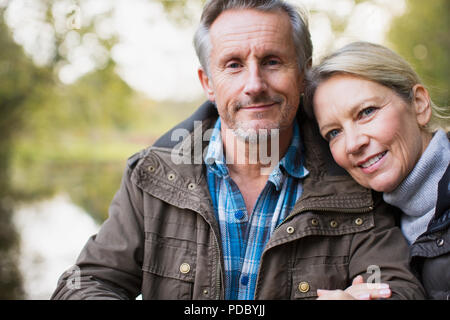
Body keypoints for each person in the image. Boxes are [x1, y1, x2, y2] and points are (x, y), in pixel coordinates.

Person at [52, 1, 425, 300]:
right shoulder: (151, 177)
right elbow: (85, 283)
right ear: (208, 83)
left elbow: (399, 286)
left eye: (272, 62)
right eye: (233, 65)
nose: (254, 85)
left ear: (303, 74)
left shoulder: (353, 179)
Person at [305, 41, 449, 300]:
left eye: (366, 112)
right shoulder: (375, 224)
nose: (353, 143)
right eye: (334, 132)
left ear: (419, 104)